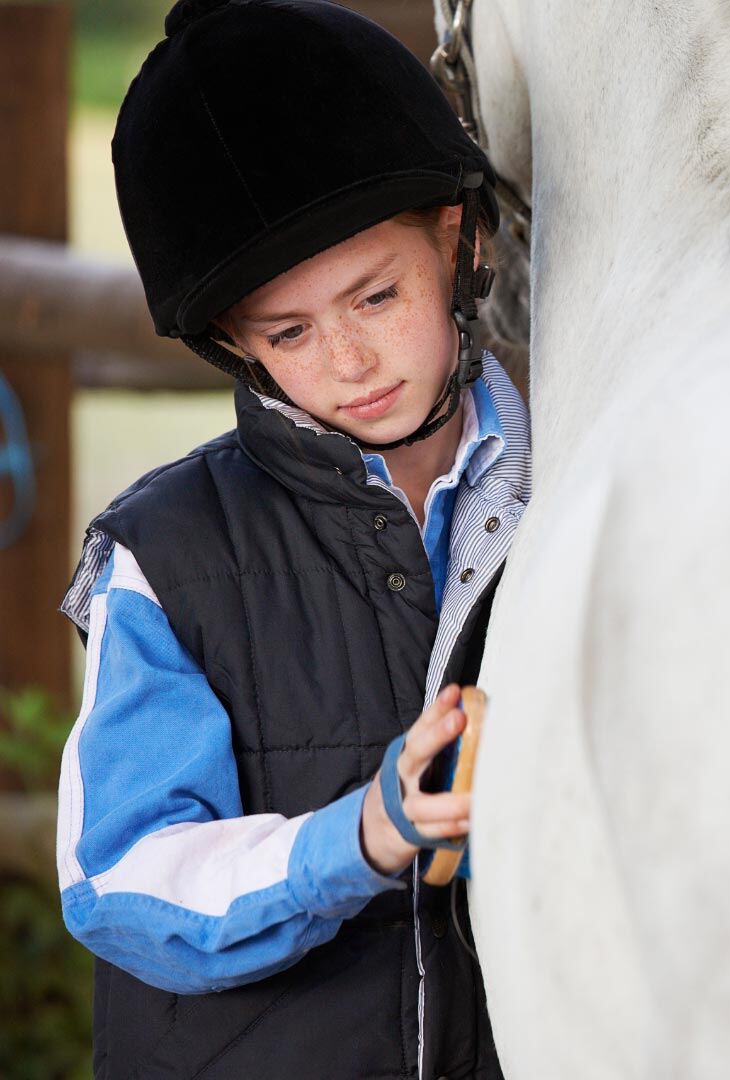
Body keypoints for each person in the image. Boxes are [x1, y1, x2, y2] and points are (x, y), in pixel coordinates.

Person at [53, 2, 530, 1077]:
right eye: (291, 332)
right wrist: (359, 838)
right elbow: (123, 878)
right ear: (233, 342)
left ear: (455, 244)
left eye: (376, 295)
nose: (352, 361)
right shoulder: (164, 559)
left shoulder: (571, 498)